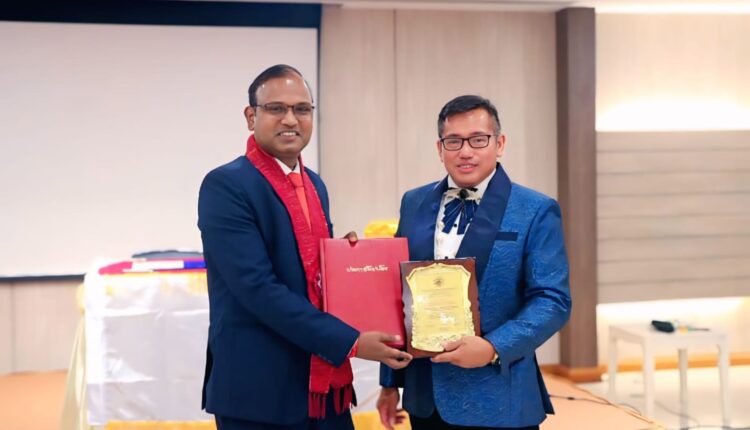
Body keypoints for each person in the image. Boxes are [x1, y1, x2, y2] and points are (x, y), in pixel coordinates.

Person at [198, 64, 412, 430]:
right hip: (259, 389)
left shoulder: (314, 184)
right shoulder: (226, 185)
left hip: (322, 387)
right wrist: (351, 341)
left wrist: (343, 260)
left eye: (301, 109)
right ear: (251, 116)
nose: (290, 119)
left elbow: (307, 270)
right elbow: (257, 288)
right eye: (276, 108)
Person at [377, 95, 572, 430]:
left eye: (478, 140)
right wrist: (390, 382)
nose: (465, 151)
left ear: (500, 144)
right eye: (453, 141)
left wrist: (493, 347)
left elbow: (552, 300)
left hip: (498, 395)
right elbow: (399, 295)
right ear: (440, 149)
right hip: (426, 397)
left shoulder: (535, 209)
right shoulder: (414, 202)